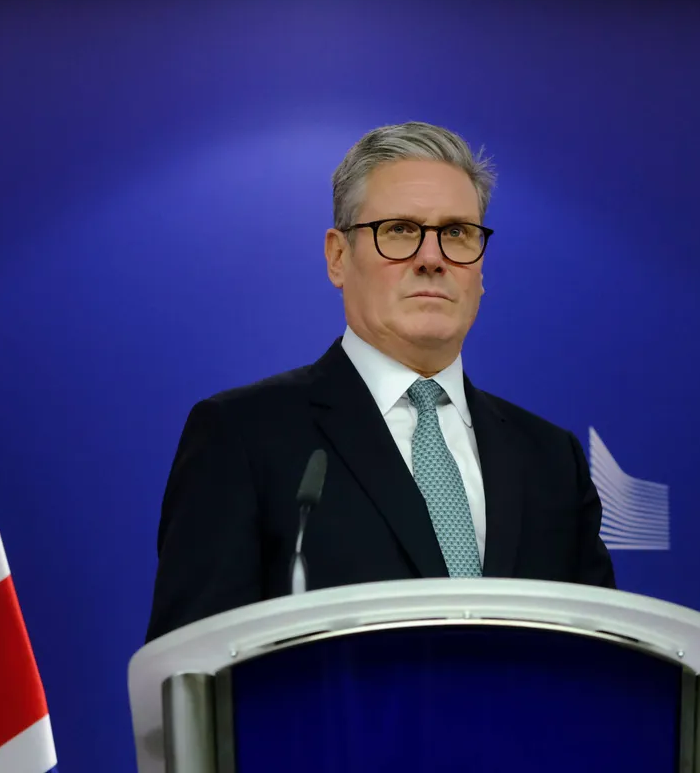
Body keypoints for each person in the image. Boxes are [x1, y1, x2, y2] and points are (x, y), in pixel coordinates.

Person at [144, 121, 615, 643]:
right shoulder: (243, 437)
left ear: (480, 270)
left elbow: (601, 665)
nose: (432, 259)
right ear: (338, 257)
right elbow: (193, 669)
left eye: (457, 233)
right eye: (400, 230)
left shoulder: (552, 460)